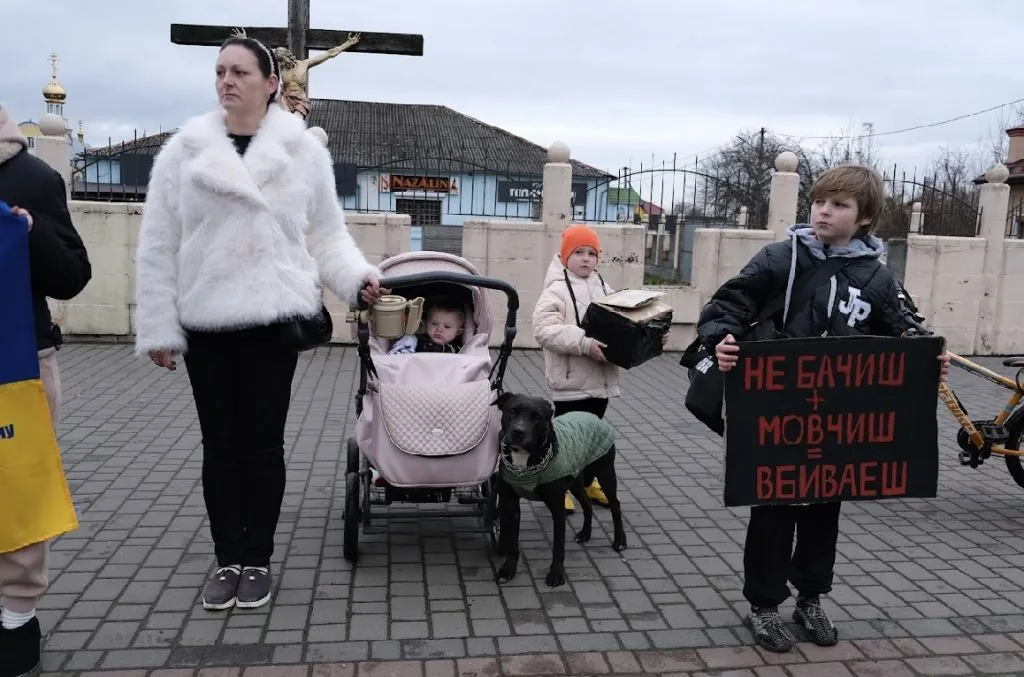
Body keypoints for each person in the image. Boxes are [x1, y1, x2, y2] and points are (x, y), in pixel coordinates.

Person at [134, 34, 386, 612]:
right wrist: (158, 325)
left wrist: (355, 278)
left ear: (272, 83)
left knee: (264, 445)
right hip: (207, 322)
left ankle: (259, 558)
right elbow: (158, 243)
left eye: (240, 72)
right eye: (220, 71)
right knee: (221, 446)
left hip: (273, 321)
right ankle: (228, 559)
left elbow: (326, 233)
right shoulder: (184, 152)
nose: (227, 80)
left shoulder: (303, 152)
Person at [696, 164, 951, 653]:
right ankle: (764, 606)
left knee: (822, 512)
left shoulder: (877, 278)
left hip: (837, 424)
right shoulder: (778, 258)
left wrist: (929, 363)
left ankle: (810, 597)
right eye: (819, 202)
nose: (824, 212)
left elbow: (908, 333)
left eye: (839, 205)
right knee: (772, 512)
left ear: (865, 217)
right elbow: (727, 307)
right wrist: (722, 340)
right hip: (775, 415)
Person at [0, 104, 92, 677]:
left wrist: (29, 237)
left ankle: (14, 617)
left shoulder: (32, 178)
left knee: (18, 488)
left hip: (17, 364)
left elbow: (72, 275)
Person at [532, 225, 620, 513]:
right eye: (578, 252)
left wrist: (646, 333)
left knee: (593, 438)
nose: (586, 259)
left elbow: (622, 320)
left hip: (600, 381)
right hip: (571, 382)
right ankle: (560, 485)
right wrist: (584, 343)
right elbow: (545, 331)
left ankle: (587, 481)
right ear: (564, 256)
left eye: (592, 254)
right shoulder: (555, 291)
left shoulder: (604, 287)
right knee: (568, 439)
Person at [388, 297, 466, 355]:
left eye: (447, 326)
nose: (439, 330)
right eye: (434, 324)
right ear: (425, 323)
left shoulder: (460, 350)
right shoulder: (415, 340)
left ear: (458, 332)